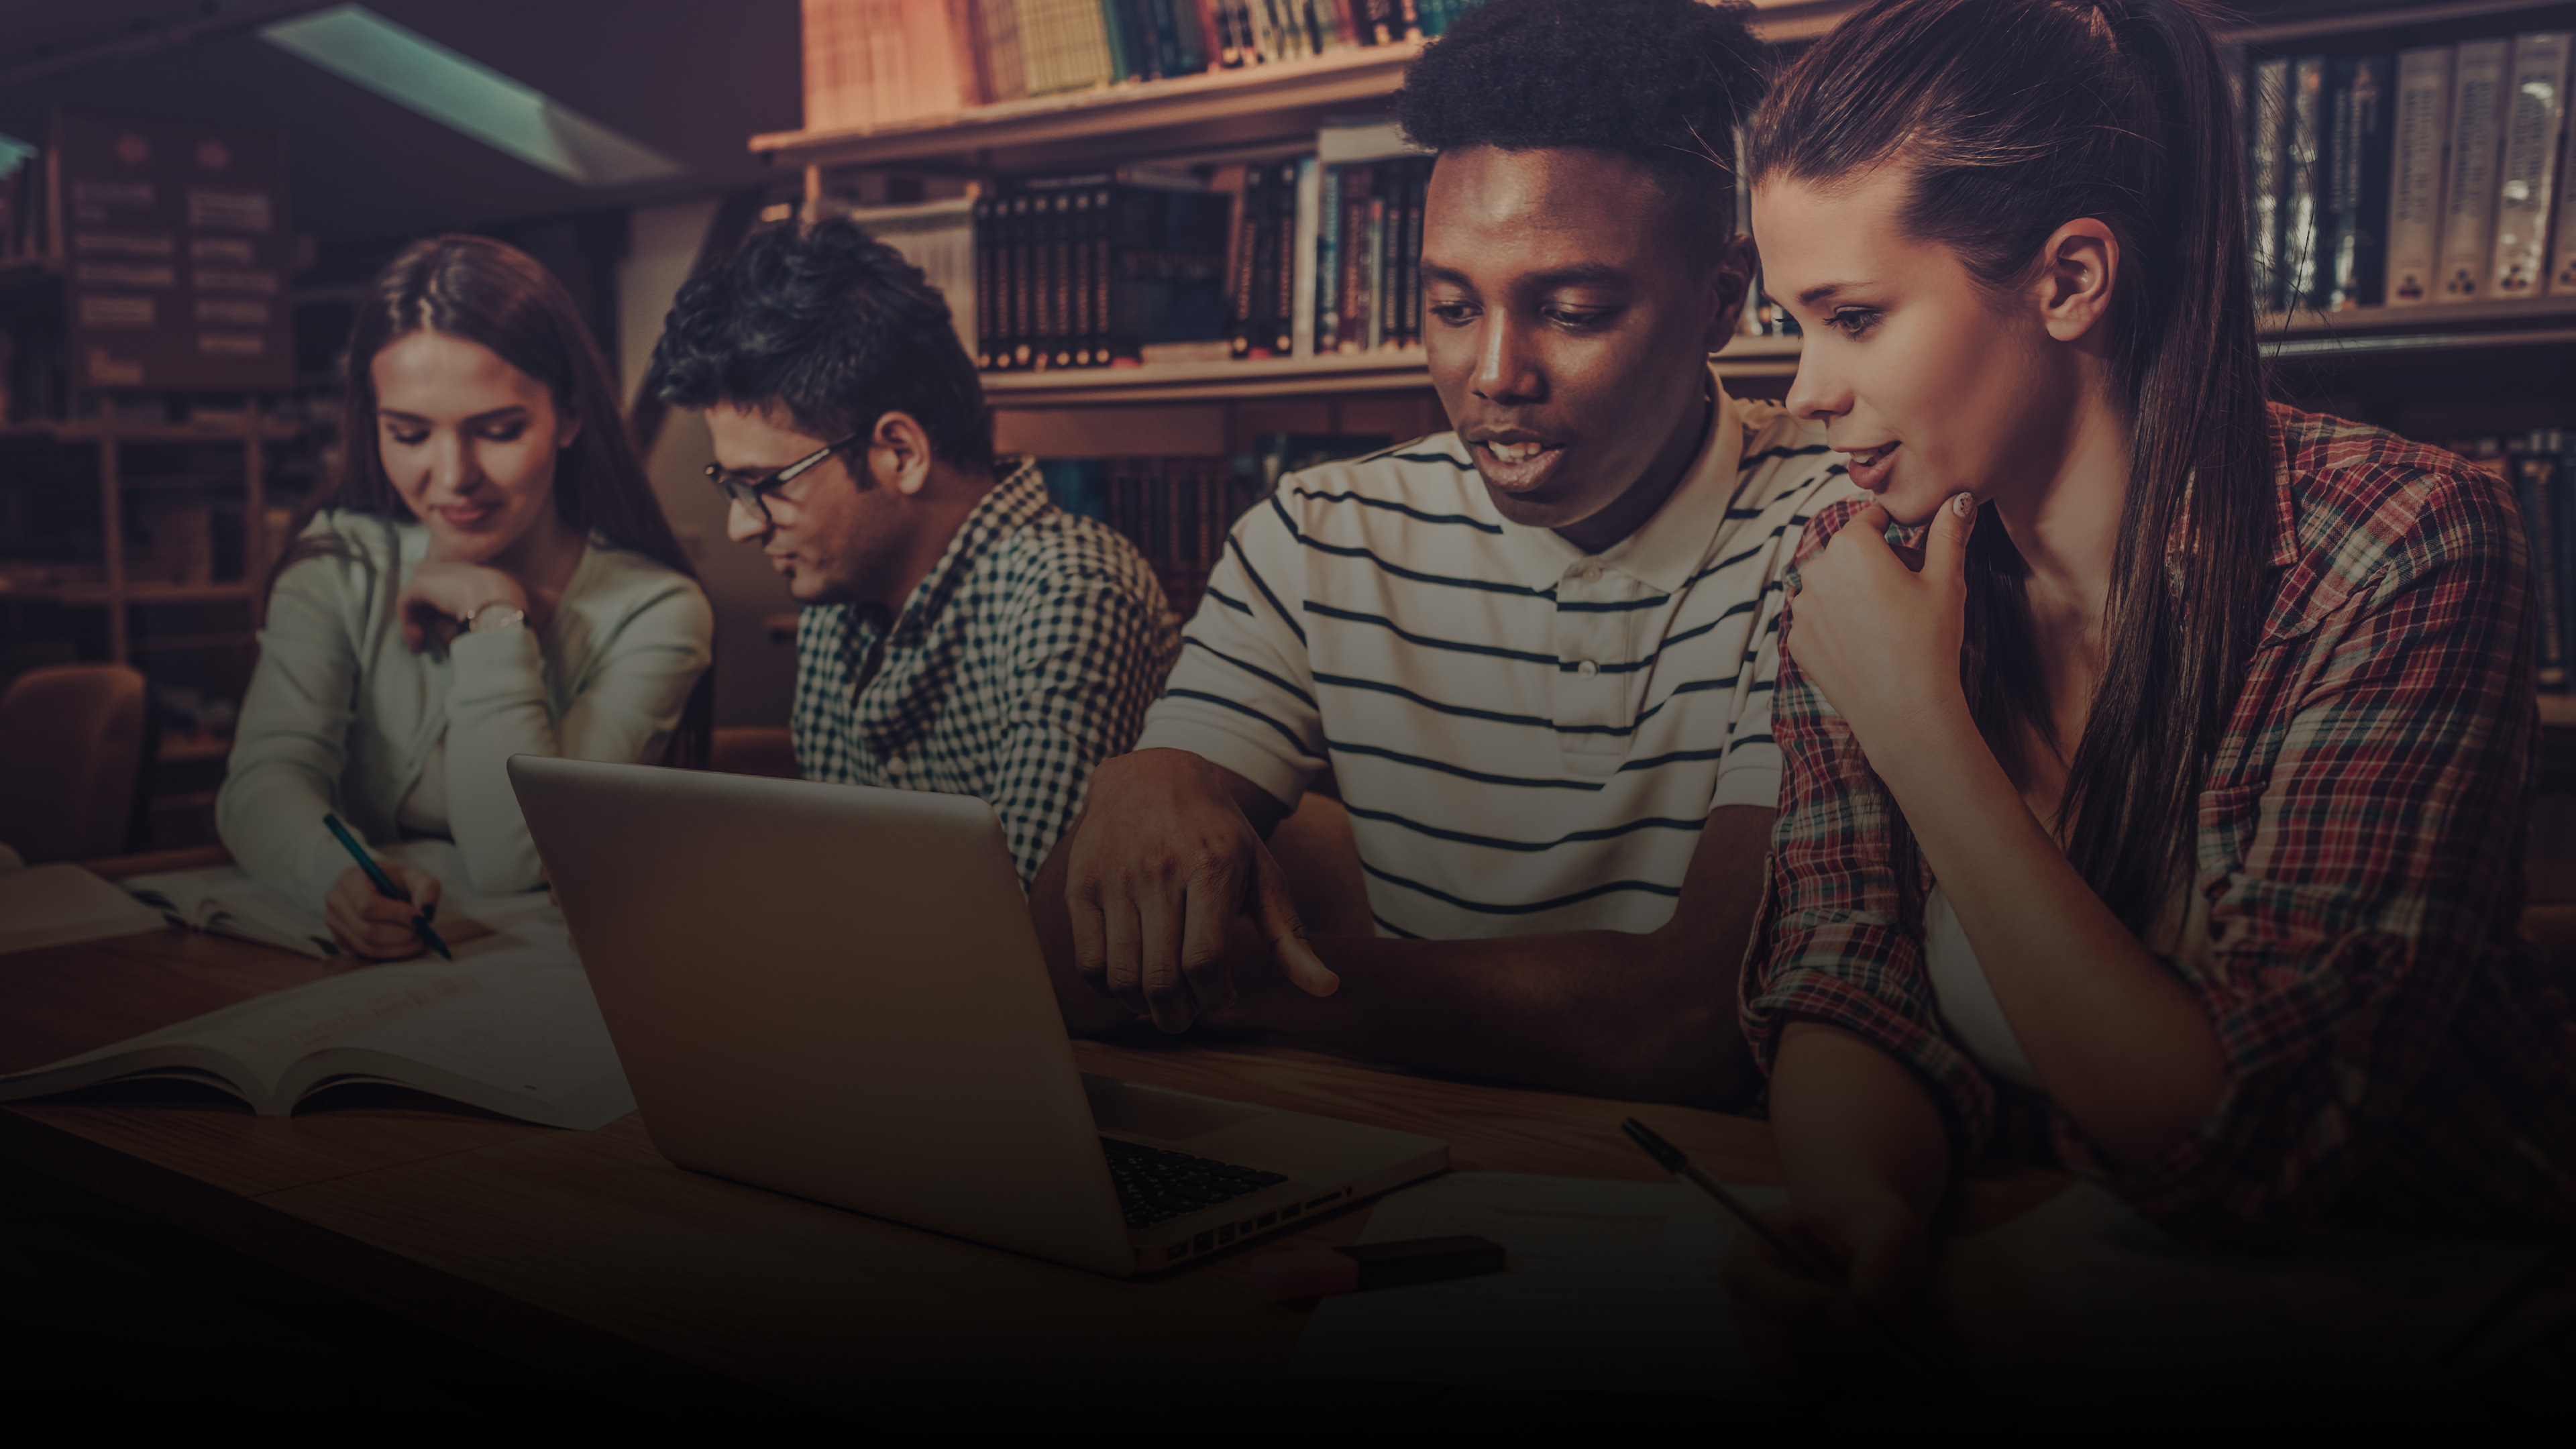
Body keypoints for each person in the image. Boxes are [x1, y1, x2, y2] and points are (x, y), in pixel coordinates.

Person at [1729, 0, 2576, 1368]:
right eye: (1792, 322)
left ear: (2070, 279)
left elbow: (2244, 1151)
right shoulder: (1862, 572)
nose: (1805, 389)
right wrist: (1857, 1203)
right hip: (2055, 1285)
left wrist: (1923, 733)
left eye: (1856, 318)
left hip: (2435, 1306)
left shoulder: (2401, 546)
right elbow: (1849, 974)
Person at [1034, 0, 1856, 1108]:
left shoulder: (1833, 525)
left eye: (1571, 308)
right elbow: (1066, 959)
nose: (1494, 372)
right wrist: (1150, 779)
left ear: (1721, 295)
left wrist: (1236, 983)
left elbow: (1695, 1017)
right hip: (1415, 1168)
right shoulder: (1316, 535)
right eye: (1451, 304)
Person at [646, 218, 1179, 887]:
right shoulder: (840, 594)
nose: (740, 527)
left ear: (901, 453)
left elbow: (1013, 921)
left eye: (764, 486)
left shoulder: (1074, 593)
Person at [221, 235, 713, 959]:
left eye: (498, 431)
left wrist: (494, 621)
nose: (452, 477)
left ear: (570, 416)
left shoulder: (654, 612)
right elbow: (262, 783)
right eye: (410, 434)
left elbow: (514, 860)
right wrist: (335, 878)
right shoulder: (337, 562)